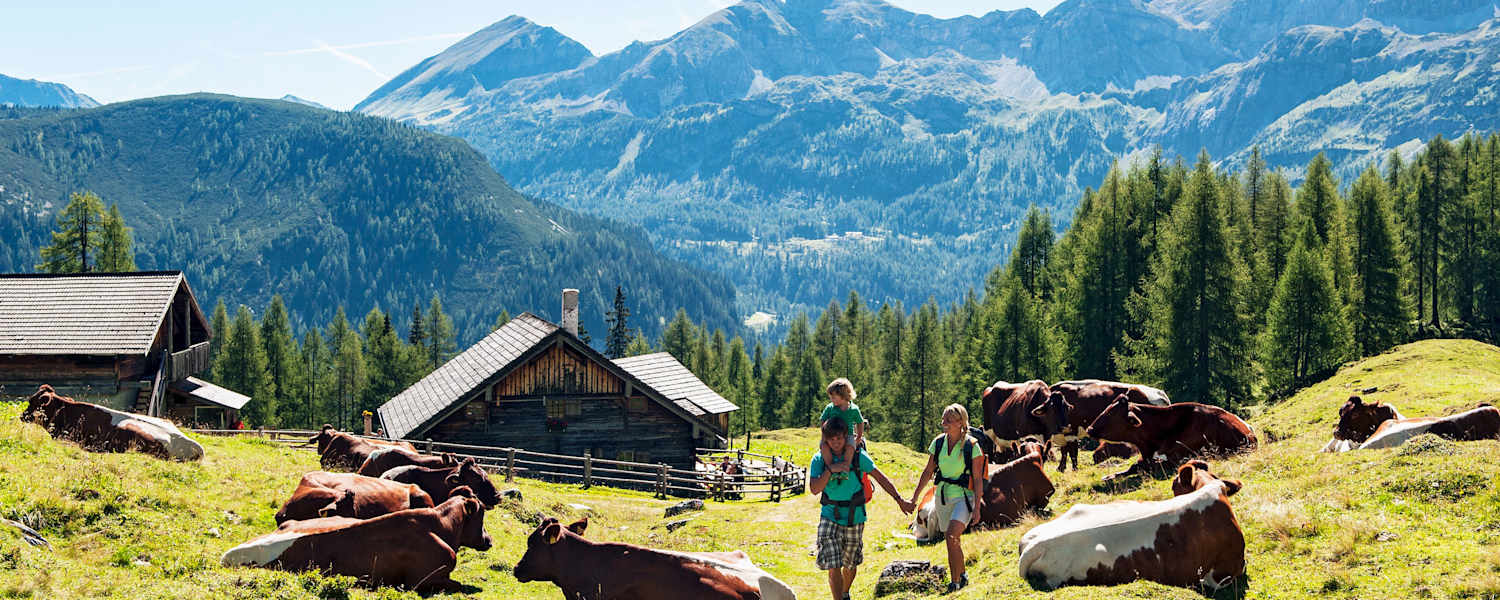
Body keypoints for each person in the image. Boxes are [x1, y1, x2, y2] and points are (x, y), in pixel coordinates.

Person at [810, 416, 914, 600]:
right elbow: (814, 489)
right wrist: (831, 469)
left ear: (846, 437)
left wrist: (899, 500)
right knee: (834, 564)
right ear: (826, 439)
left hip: (855, 515)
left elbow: (880, 477)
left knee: (850, 563)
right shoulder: (819, 459)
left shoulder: (858, 457)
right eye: (831, 439)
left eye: (839, 438)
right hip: (829, 514)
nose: (835, 442)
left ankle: (845, 593)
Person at [909, 404, 986, 593]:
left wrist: (977, 508)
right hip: (942, 498)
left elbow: (978, 479)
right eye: (943, 419)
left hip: (964, 499)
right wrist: (914, 497)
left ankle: (955, 583)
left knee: (952, 536)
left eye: (949, 420)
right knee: (951, 540)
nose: (944, 423)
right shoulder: (938, 443)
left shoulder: (972, 447)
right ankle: (963, 574)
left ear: (961, 422)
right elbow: (928, 471)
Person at [818, 378, 864, 475]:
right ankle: (831, 467)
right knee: (824, 447)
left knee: (850, 447)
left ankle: (845, 467)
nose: (831, 400)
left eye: (833, 397)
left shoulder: (854, 409)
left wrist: (859, 436)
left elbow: (860, 422)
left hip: (848, 434)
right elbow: (822, 420)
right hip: (831, 435)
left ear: (843, 396)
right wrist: (824, 435)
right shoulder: (830, 408)